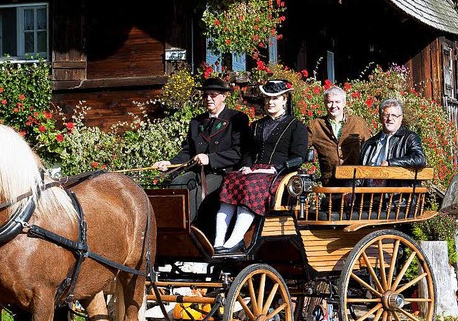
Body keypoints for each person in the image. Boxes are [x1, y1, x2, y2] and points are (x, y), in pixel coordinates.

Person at [213, 79, 308, 254]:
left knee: (251, 184)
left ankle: (235, 241)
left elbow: (299, 157)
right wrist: (246, 167)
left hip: (279, 175)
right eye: (267, 99)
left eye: (275, 98)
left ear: (284, 99)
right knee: (231, 179)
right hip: (255, 171)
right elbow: (248, 152)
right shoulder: (256, 125)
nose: (270, 102)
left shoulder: (296, 126)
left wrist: (276, 168)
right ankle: (218, 242)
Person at [152, 77, 249, 223]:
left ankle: (189, 233)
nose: (209, 99)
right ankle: (168, 228)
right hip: (197, 172)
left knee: (195, 196)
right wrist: (169, 163)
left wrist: (210, 159)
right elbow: (187, 152)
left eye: (213, 95)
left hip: (223, 174)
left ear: (223, 96)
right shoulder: (196, 122)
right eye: (205, 95)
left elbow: (238, 153)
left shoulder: (237, 118)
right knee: (177, 184)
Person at [308, 85, 372, 186]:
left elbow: (369, 150)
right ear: (325, 103)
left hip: (356, 181)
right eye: (330, 102)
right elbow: (301, 148)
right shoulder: (315, 125)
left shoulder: (358, 123)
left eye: (337, 102)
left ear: (344, 103)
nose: (333, 106)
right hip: (330, 182)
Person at [360, 98, 426, 175]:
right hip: (367, 186)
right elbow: (359, 173)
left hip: (397, 186)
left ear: (401, 118)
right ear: (380, 118)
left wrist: (390, 163)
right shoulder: (369, 144)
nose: (390, 119)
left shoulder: (410, 138)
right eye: (386, 115)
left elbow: (420, 159)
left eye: (394, 115)